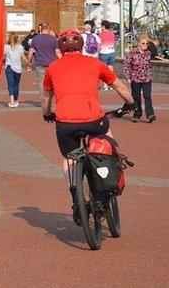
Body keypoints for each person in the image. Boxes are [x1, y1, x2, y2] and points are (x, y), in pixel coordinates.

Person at [42, 29, 135, 224]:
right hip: (94, 120)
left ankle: (76, 196)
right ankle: (109, 174)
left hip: (65, 123)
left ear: (60, 48)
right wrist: (130, 103)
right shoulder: (95, 63)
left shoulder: (52, 67)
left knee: (69, 158)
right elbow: (120, 86)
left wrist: (47, 114)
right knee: (107, 137)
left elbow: (46, 97)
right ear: (81, 45)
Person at [123, 37, 156, 123]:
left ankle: (150, 115)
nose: (145, 45)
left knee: (147, 95)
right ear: (138, 43)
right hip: (135, 78)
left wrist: (149, 41)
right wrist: (128, 77)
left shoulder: (148, 53)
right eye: (143, 43)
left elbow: (154, 50)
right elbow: (127, 65)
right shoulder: (132, 53)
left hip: (147, 78)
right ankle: (137, 114)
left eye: (146, 44)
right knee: (136, 97)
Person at [27, 24, 60, 101]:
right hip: (51, 64)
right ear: (48, 30)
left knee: (41, 82)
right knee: (52, 82)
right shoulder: (53, 39)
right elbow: (58, 52)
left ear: (41, 30)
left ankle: (44, 98)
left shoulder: (35, 39)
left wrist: (29, 62)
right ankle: (50, 97)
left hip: (40, 64)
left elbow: (31, 51)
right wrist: (62, 61)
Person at [3, 33, 25, 108]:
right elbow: (23, 57)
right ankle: (15, 100)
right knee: (16, 84)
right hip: (18, 68)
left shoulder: (6, 47)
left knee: (10, 84)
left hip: (9, 67)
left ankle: (12, 100)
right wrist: (29, 62)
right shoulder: (20, 47)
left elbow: (2, 57)